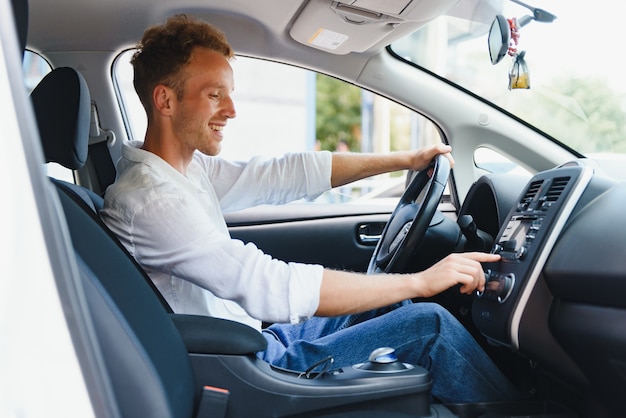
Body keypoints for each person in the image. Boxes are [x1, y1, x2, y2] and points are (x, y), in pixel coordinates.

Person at [101, 14, 521, 403]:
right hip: (248, 368)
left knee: (389, 305)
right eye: (214, 96)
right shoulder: (151, 200)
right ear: (166, 101)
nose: (231, 111)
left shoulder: (183, 173)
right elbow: (268, 284)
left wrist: (405, 160)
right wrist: (422, 281)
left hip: (257, 343)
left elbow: (286, 173)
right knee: (430, 327)